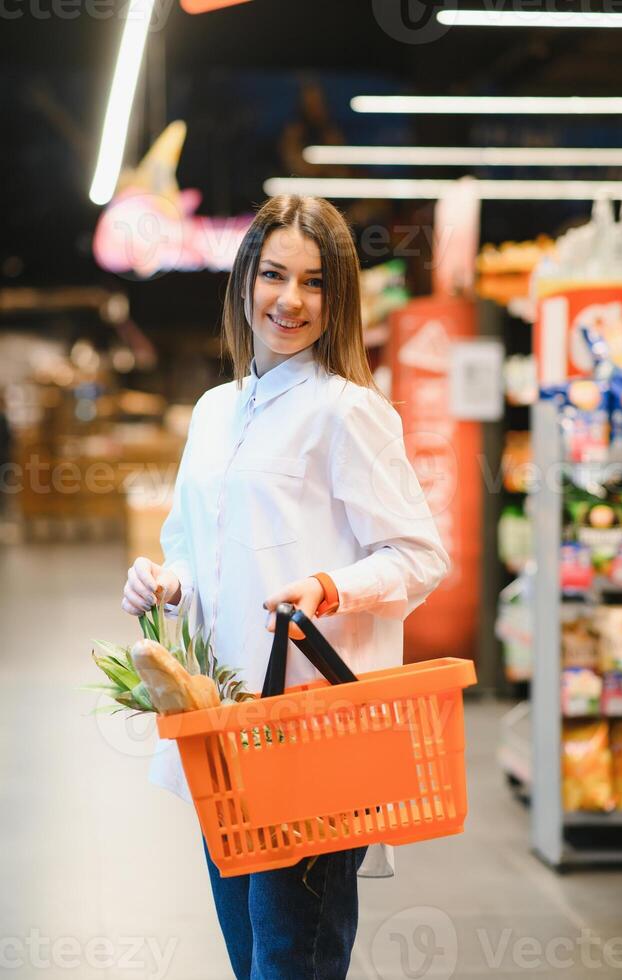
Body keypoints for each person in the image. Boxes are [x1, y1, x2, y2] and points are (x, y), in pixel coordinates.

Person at [121, 195, 450, 980]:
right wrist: (166, 581)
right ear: (245, 283)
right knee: (253, 959)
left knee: (291, 961)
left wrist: (332, 587)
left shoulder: (348, 413)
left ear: (337, 300)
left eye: (314, 282)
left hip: (312, 738)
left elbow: (418, 554)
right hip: (224, 732)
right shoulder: (214, 411)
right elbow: (191, 545)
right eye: (274, 275)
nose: (290, 300)